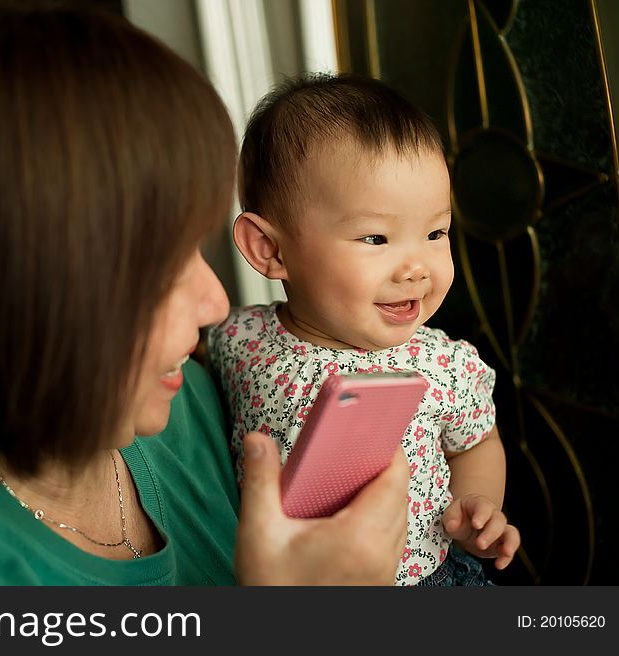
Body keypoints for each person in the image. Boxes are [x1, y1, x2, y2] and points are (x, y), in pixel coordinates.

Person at [0, 2, 410, 586]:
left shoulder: (189, 400)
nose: (215, 305)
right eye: (158, 271)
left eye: (196, 250)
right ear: (23, 288)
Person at [208, 73, 521, 586]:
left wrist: (477, 504)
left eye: (435, 232)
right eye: (376, 237)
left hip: (431, 583)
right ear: (271, 249)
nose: (417, 267)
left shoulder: (443, 365)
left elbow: (477, 442)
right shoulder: (239, 339)